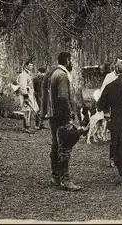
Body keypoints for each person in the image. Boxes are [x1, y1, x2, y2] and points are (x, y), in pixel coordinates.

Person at [41, 51, 82, 191]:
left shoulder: (51, 73)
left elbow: (45, 96)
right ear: (67, 60)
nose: (72, 64)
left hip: (52, 115)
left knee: (55, 146)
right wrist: (69, 114)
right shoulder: (62, 75)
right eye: (71, 61)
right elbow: (63, 97)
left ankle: (55, 176)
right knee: (65, 147)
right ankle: (65, 179)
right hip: (61, 116)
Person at [100, 56, 122, 167]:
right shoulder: (109, 77)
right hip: (113, 110)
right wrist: (105, 111)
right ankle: (113, 158)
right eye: (119, 63)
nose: (120, 66)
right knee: (114, 136)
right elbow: (103, 94)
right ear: (115, 65)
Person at [17, 59, 40, 133]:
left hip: (30, 94)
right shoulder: (23, 75)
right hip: (25, 95)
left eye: (32, 65)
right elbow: (23, 87)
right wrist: (26, 97)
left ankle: (28, 126)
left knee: (30, 111)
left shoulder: (29, 74)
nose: (31, 67)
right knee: (27, 111)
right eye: (30, 65)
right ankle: (27, 127)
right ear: (26, 66)